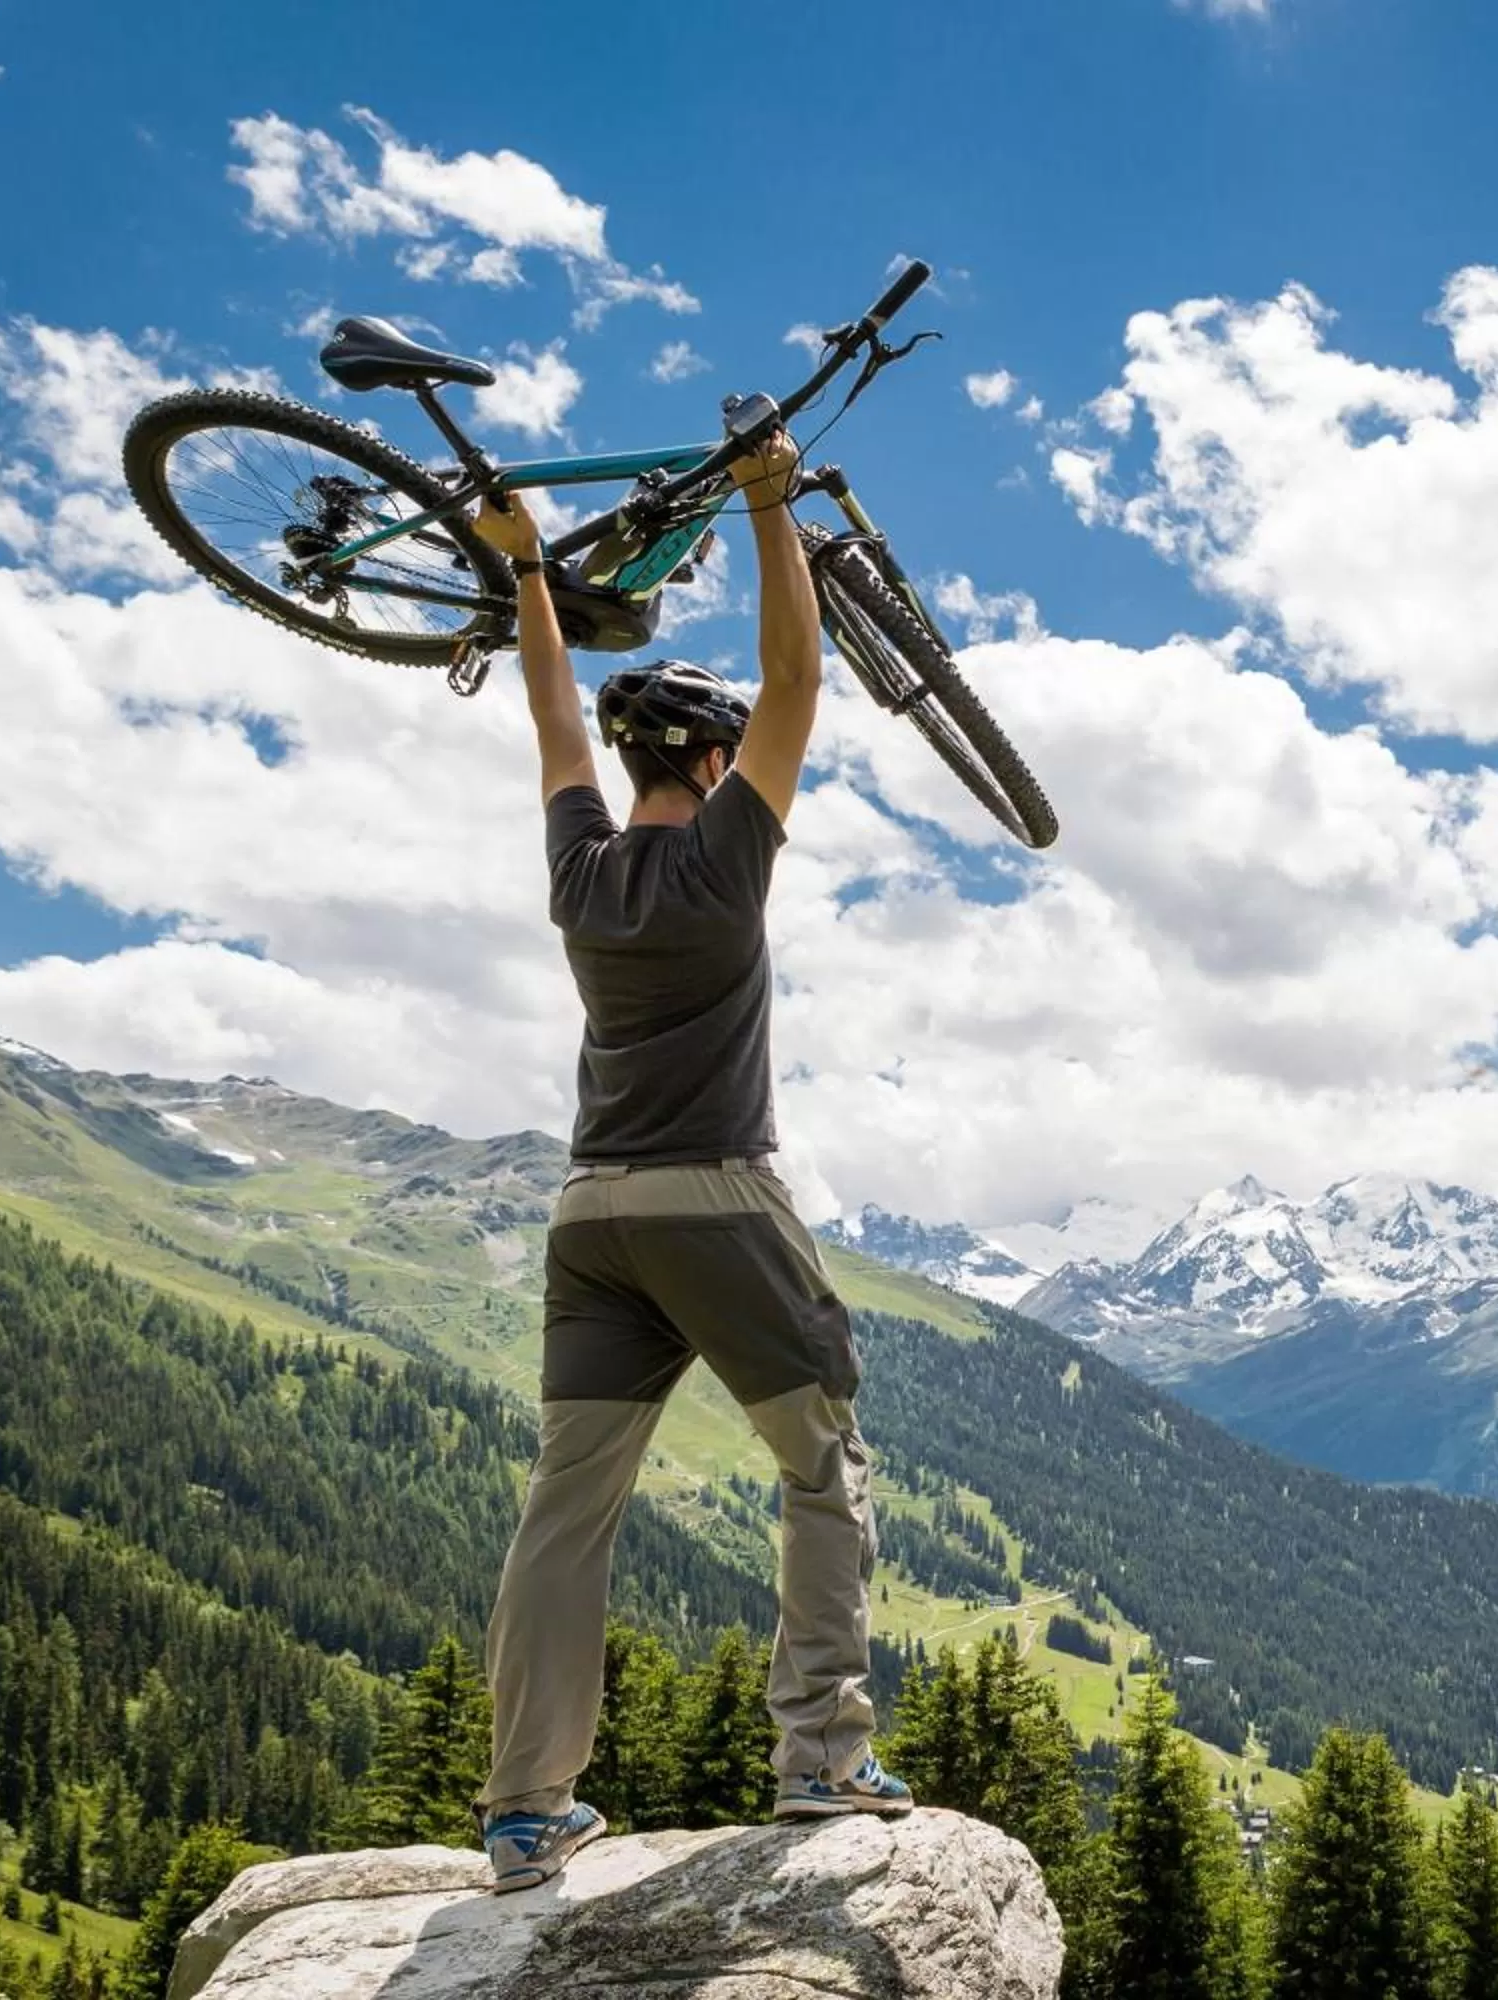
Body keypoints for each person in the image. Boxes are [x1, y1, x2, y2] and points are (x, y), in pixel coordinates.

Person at [463, 423, 910, 1895]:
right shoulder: (729, 859)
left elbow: (550, 721)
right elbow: (800, 680)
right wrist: (775, 504)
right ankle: (822, 1760)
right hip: (717, 1197)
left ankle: (528, 1809)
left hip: (587, 1217)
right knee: (823, 1461)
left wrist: (527, 571)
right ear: (715, 765)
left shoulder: (580, 872)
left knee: (566, 1506)